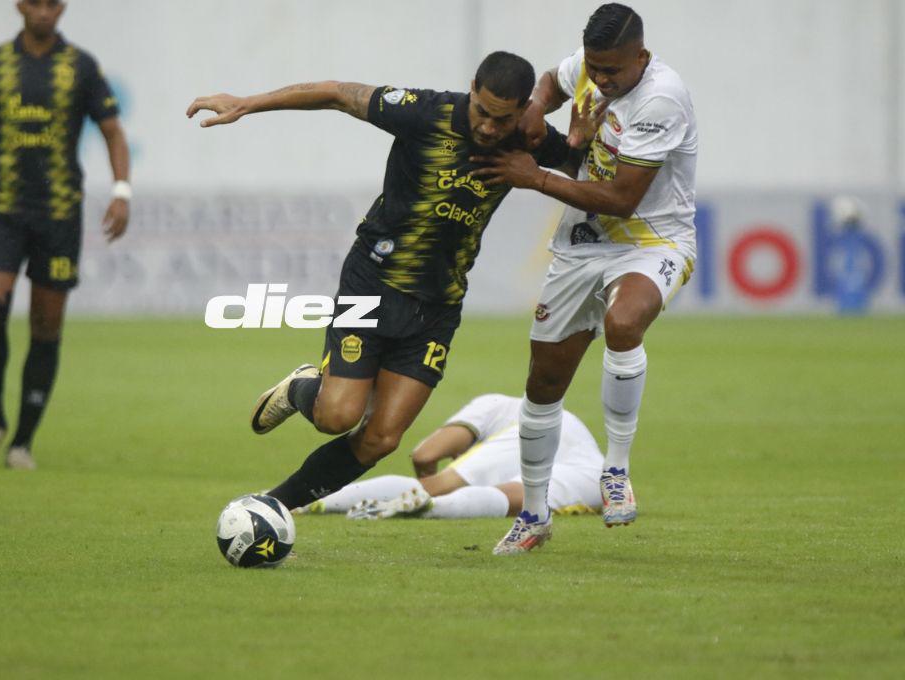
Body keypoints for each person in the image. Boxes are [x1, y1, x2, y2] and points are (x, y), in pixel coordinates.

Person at [187, 52, 598, 517]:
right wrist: (248, 103)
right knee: (337, 416)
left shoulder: (531, 138)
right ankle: (304, 386)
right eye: (481, 111)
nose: (487, 127)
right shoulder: (425, 112)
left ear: (524, 107)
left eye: (501, 119)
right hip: (374, 280)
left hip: (438, 306)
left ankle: (269, 508)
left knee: (381, 438)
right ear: (471, 89)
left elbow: (593, 173)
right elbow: (338, 93)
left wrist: (577, 147)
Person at [470, 4, 698, 553]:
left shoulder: (661, 98)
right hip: (581, 242)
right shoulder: (591, 66)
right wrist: (535, 109)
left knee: (624, 323)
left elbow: (621, 199)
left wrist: (538, 177)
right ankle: (533, 515)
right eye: (595, 67)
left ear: (641, 57)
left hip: (653, 240)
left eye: (612, 71)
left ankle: (614, 471)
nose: (600, 79)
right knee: (543, 384)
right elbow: (554, 79)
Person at [0, 0, 131, 469]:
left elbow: (114, 132)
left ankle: (22, 440)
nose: (43, 11)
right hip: (2, 208)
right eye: (35, 3)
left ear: (62, 9)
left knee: (46, 324)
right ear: (20, 6)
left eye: (52, 4)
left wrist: (122, 192)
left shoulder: (81, 66)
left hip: (58, 213)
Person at [296, 393, 603, 523]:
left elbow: (425, 454)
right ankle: (430, 507)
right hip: (594, 475)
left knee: (440, 484)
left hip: (544, 427)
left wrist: (430, 483)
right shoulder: (501, 409)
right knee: (518, 497)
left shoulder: (490, 406)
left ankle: (308, 503)